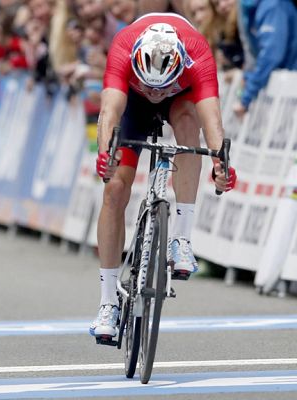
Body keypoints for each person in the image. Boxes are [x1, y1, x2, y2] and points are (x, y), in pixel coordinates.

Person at [90, 13, 236, 341]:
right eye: (151, 86)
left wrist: (220, 164)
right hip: (132, 104)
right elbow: (110, 111)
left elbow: (212, 119)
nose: (156, 93)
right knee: (114, 191)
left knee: (187, 123)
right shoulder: (124, 46)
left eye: (161, 87)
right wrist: (105, 155)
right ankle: (108, 301)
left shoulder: (197, 51)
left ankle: (181, 239)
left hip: (180, 100)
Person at [233, 0, 297, 118]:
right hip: (283, 89)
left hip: (290, 88)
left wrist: (246, 97)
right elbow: (255, 55)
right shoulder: (252, 6)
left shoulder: (273, 5)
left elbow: (270, 56)